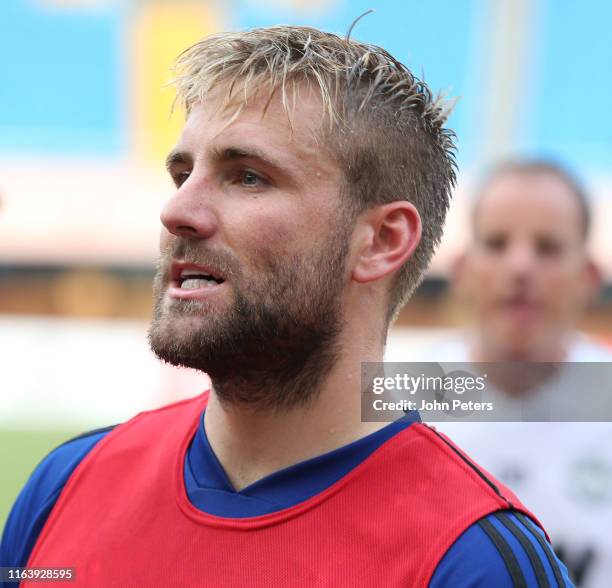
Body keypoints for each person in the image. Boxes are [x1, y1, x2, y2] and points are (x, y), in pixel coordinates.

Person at [0, 27, 573, 587]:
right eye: (182, 172)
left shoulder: (473, 560)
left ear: (380, 241)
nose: (178, 209)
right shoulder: (64, 486)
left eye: (248, 177)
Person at [430, 160, 612, 587]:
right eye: (496, 243)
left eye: (547, 247)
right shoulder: (395, 399)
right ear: (461, 269)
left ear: (589, 278)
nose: (520, 267)